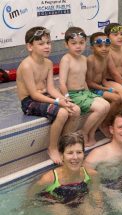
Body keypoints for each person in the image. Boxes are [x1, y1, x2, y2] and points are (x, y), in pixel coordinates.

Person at [16, 26, 81, 164]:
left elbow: (51, 88)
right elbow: (33, 94)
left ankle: (64, 145)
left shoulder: (49, 63)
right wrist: (57, 102)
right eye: (41, 44)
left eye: (48, 43)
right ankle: (52, 148)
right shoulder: (26, 66)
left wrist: (64, 98)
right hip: (29, 102)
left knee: (75, 110)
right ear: (30, 46)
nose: (46, 47)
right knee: (62, 113)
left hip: (44, 96)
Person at [29, 132, 104, 214]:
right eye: (70, 153)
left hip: (78, 198)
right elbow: (30, 196)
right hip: (54, 200)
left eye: (79, 152)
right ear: (61, 156)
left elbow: (95, 191)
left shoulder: (92, 174)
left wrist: (99, 208)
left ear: (83, 154)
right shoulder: (49, 179)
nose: (75, 157)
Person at [59, 27, 110, 146]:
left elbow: (83, 80)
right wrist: (67, 97)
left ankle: (91, 132)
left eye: (81, 43)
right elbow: (61, 82)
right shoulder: (66, 60)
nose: (78, 46)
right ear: (66, 45)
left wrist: (90, 95)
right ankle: (83, 132)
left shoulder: (83, 59)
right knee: (100, 108)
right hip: (73, 94)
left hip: (84, 92)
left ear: (85, 43)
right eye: (74, 43)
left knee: (106, 105)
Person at [86, 32, 122, 137]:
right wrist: (108, 90)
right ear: (92, 48)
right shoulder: (90, 60)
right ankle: (104, 123)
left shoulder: (105, 58)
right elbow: (89, 83)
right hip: (91, 89)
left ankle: (112, 121)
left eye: (107, 46)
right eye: (99, 46)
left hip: (99, 86)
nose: (104, 48)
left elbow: (102, 79)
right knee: (116, 99)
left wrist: (108, 87)